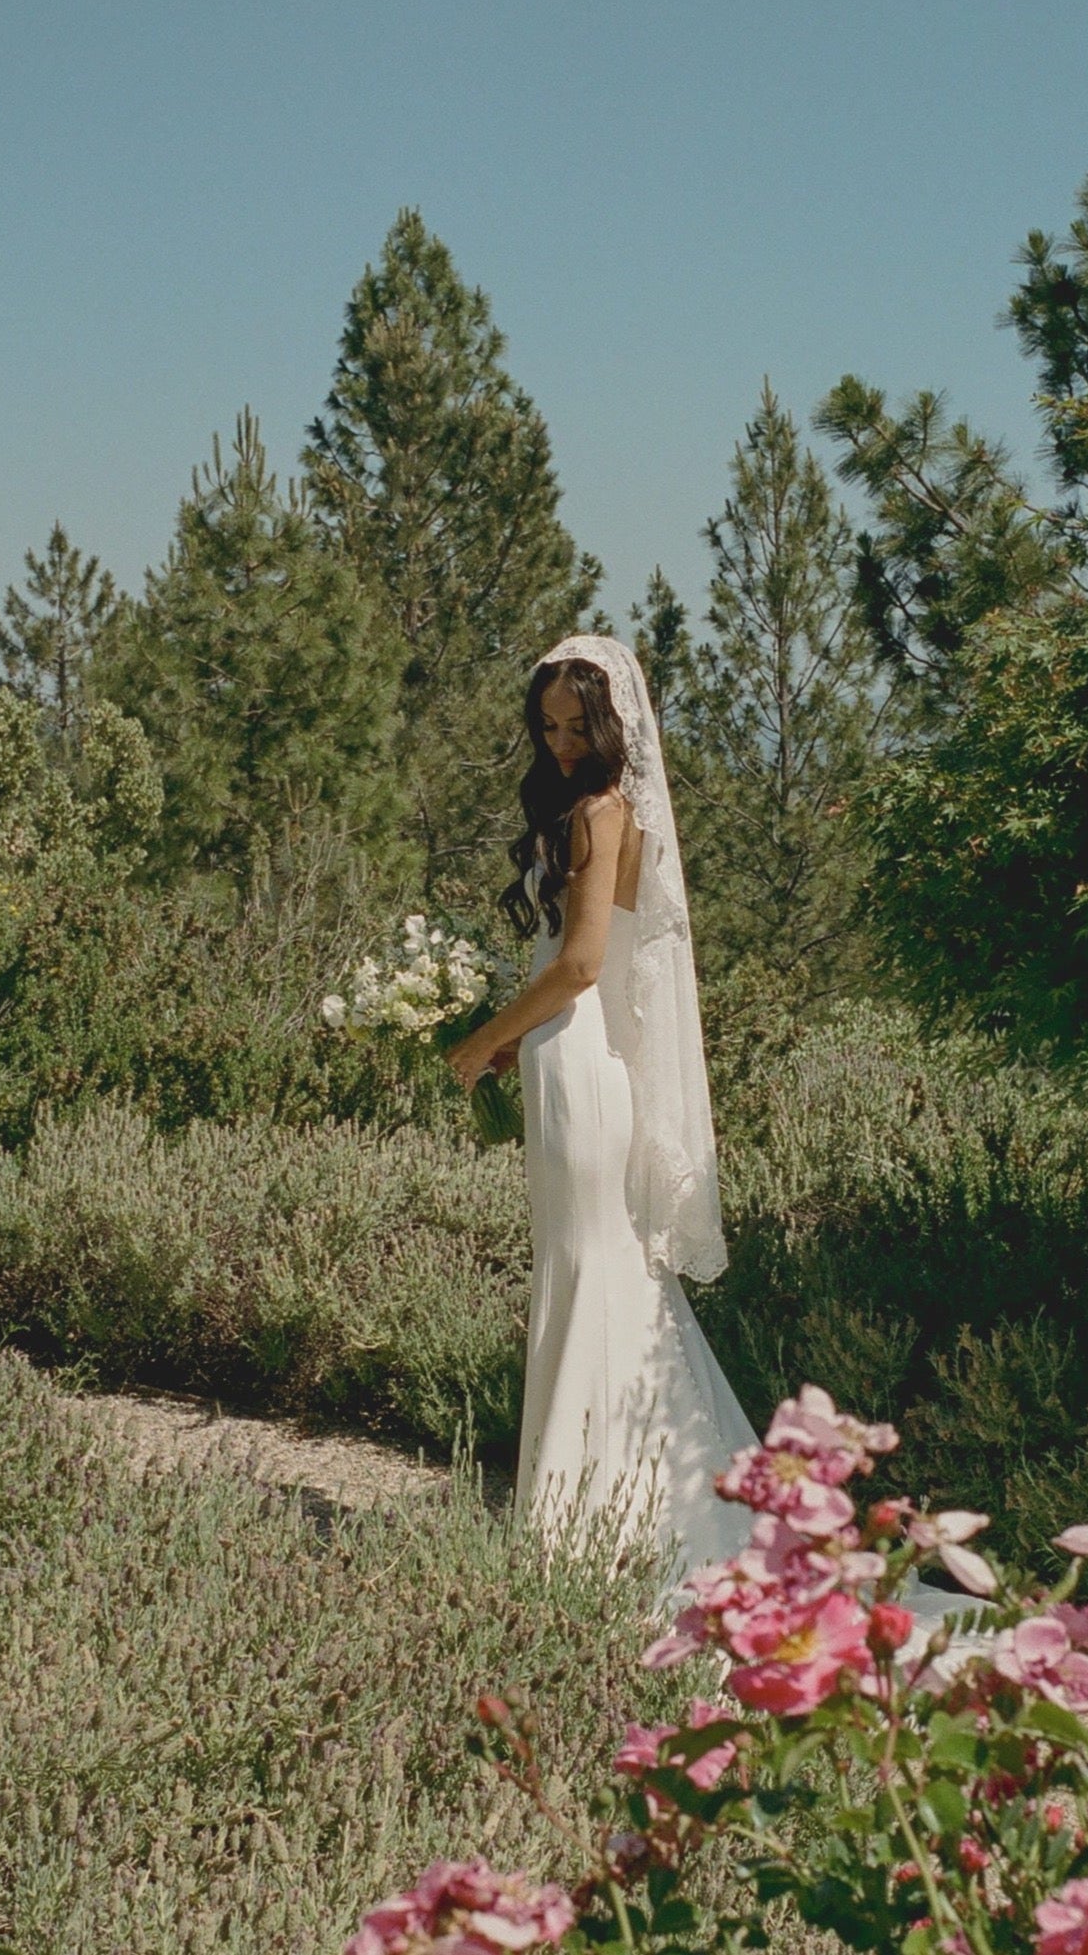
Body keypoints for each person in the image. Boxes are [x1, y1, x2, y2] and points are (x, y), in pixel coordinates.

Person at [445, 633, 755, 1571]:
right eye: (547, 726)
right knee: (593, 1266)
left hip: (578, 1058)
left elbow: (581, 965)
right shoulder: (604, 811)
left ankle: (580, 1522)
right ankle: (613, 1500)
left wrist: (481, 1038)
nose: (561, 743)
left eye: (578, 725)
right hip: (568, 1057)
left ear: (615, 721)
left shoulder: (603, 814)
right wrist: (513, 1042)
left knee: (590, 1267)